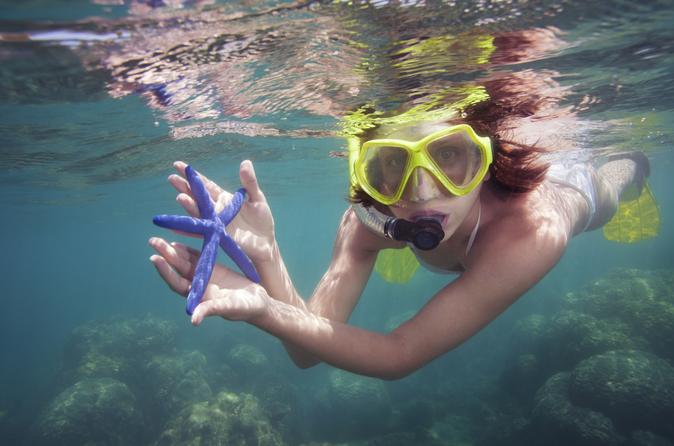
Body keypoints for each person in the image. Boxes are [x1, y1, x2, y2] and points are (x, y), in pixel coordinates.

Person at [148, 70, 651, 380]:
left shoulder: (530, 234)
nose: (423, 192)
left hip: (568, 189)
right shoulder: (368, 221)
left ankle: (630, 166)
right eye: (392, 165)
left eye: (451, 156)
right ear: (368, 172)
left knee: (608, 191)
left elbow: (398, 354)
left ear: (486, 159)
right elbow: (309, 349)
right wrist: (268, 259)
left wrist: (264, 311)